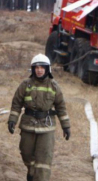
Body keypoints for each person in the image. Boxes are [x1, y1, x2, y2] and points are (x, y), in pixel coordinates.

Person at [7, 53, 71, 181]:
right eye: (36, 67)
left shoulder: (54, 86)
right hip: (28, 126)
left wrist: (66, 126)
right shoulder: (25, 85)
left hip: (47, 128)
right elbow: (16, 104)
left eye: (42, 67)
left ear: (47, 69)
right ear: (32, 69)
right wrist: (12, 120)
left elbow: (61, 107)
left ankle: (39, 177)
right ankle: (32, 172)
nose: (39, 70)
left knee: (43, 161)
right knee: (26, 154)